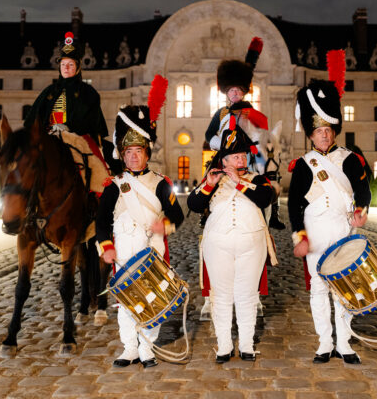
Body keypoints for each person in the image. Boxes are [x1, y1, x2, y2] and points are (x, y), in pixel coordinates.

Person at [96, 92, 184, 369]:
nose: (134, 157)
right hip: (122, 248)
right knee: (125, 300)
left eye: (139, 152)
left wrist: (165, 224)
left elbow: (177, 215)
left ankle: (147, 349)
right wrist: (105, 247)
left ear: (147, 153)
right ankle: (129, 348)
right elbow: (100, 220)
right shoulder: (114, 185)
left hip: (152, 249)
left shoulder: (161, 183)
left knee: (152, 300)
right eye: (129, 153)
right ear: (123, 155)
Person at [288, 79, 371, 365]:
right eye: (318, 132)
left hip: (341, 230)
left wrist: (362, 209)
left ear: (333, 131)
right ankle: (324, 343)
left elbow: (363, 190)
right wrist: (300, 236)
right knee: (318, 289)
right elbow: (295, 204)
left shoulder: (350, 159)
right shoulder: (303, 164)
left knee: (343, 287)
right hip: (314, 232)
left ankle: (345, 343)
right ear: (311, 136)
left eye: (327, 130)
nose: (323, 136)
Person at [187, 125, 275, 363]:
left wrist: (239, 182)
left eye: (243, 155)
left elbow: (266, 198)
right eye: (235, 156)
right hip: (218, 244)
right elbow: (194, 204)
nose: (241, 158)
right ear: (224, 159)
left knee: (247, 295)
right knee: (221, 295)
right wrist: (209, 183)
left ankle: (247, 345)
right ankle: (224, 345)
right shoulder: (212, 180)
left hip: (251, 244)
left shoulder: (257, 179)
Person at [24, 32, 121, 184]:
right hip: (49, 139)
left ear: (77, 67)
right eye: (63, 65)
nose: (66, 68)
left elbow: (91, 121)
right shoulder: (49, 92)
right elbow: (32, 119)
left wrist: (67, 128)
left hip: (77, 139)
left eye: (70, 64)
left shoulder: (88, 93)